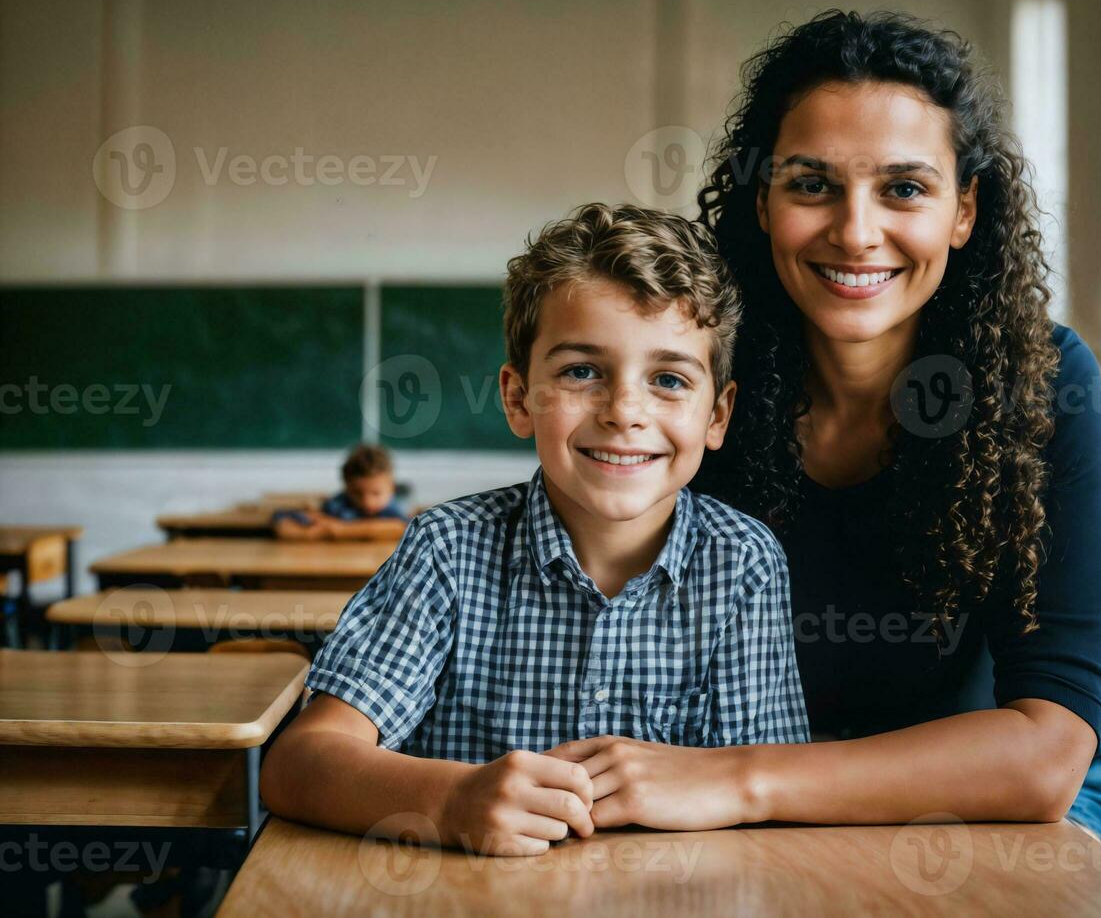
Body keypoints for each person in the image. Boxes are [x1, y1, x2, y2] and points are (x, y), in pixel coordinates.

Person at [548, 10, 1101, 846]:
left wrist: (742, 779)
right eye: (812, 184)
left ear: (964, 211)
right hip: (737, 806)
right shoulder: (689, 384)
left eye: (905, 188)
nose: (856, 232)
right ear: (762, 202)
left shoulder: (1040, 384)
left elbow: (1048, 752)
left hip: (992, 808)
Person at [260, 203, 810, 856]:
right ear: (519, 398)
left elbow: (773, 795)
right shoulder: (449, 551)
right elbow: (297, 764)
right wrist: (454, 802)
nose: (624, 413)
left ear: (717, 415)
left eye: (667, 379)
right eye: (582, 372)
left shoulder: (743, 563)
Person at [272, 443, 410, 542]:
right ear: (347, 487)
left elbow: (401, 528)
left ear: (391, 488)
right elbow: (282, 522)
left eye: (376, 494)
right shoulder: (338, 505)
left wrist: (338, 529)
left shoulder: (394, 509)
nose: (367, 501)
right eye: (357, 493)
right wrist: (311, 532)